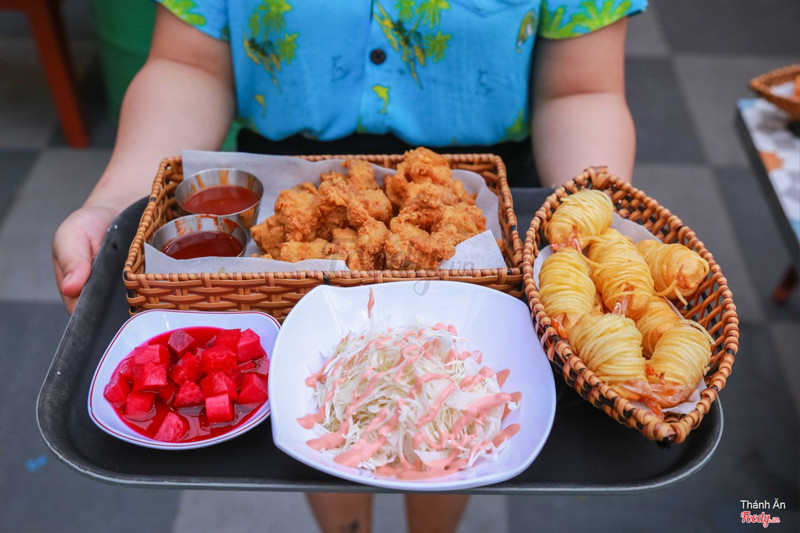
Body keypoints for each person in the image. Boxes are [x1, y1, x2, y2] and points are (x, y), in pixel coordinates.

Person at [52, 1, 645, 531]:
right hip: (286, 175)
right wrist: (116, 204)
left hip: (484, 197)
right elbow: (188, 64)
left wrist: (598, 230)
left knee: (459, 404)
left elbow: (581, 90)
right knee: (319, 405)